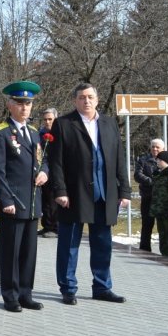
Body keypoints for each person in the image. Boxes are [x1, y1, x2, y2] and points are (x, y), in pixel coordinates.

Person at [50, 83, 131, 305]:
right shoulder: (64, 124)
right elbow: (55, 162)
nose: (87, 101)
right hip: (74, 195)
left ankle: (102, 287)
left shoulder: (109, 123)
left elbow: (119, 159)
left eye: (90, 97)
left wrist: (124, 189)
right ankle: (68, 288)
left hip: (104, 193)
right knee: (69, 244)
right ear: (75, 101)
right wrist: (60, 190)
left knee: (102, 244)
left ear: (97, 99)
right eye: (82, 97)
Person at [0, 81, 48, 312]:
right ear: (10, 104)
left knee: (28, 254)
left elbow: (42, 161)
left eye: (29, 103)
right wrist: (6, 200)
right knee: (11, 253)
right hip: (13, 203)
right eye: (20, 103)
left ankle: (26, 293)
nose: (25, 108)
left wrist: (45, 172)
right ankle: (11, 296)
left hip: (33, 202)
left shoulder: (34, 133)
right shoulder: (1, 132)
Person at [133, 139, 165, 252]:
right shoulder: (143, 160)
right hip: (147, 196)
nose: (155, 149)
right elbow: (137, 175)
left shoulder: (167, 160)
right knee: (146, 224)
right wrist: (151, 181)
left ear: (163, 149)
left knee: (163, 226)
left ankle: (165, 251)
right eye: (153, 147)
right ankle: (145, 249)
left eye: (157, 147)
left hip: (162, 199)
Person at [150, 150, 168, 258]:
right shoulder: (158, 174)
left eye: (160, 160)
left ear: (166, 161)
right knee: (162, 233)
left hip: (167, 210)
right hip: (159, 209)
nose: (157, 162)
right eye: (157, 160)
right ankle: (163, 253)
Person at [38, 108, 59, 238]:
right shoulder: (40, 133)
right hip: (43, 170)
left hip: (55, 170)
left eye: (50, 119)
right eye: (45, 119)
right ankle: (46, 225)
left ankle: (55, 227)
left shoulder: (60, 132)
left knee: (53, 200)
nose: (47, 122)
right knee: (44, 199)